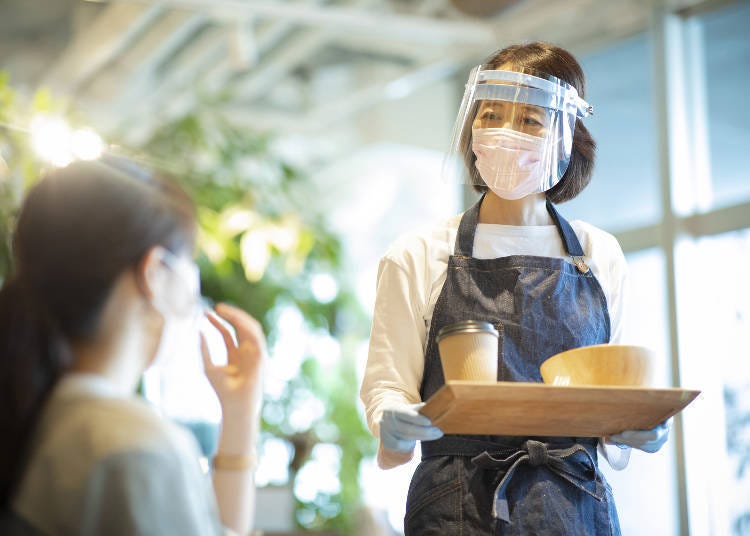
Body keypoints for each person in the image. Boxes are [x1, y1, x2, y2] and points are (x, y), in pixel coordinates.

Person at [360, 42, 671, 534]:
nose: (506, 134)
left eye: (530, 120)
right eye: (491, 115)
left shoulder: (598, 253)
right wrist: (394, 418)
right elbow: (388, 382)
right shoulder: (418, 253)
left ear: (567, 135)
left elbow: (617, 384)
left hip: (574, 500)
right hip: (455, 503)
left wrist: (636, 425)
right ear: (471, 128)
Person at [0, 157, 264, 535]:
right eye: (190, 263)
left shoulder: (38, 415)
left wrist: (239, 415)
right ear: (155, 271)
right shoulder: (135, 446)